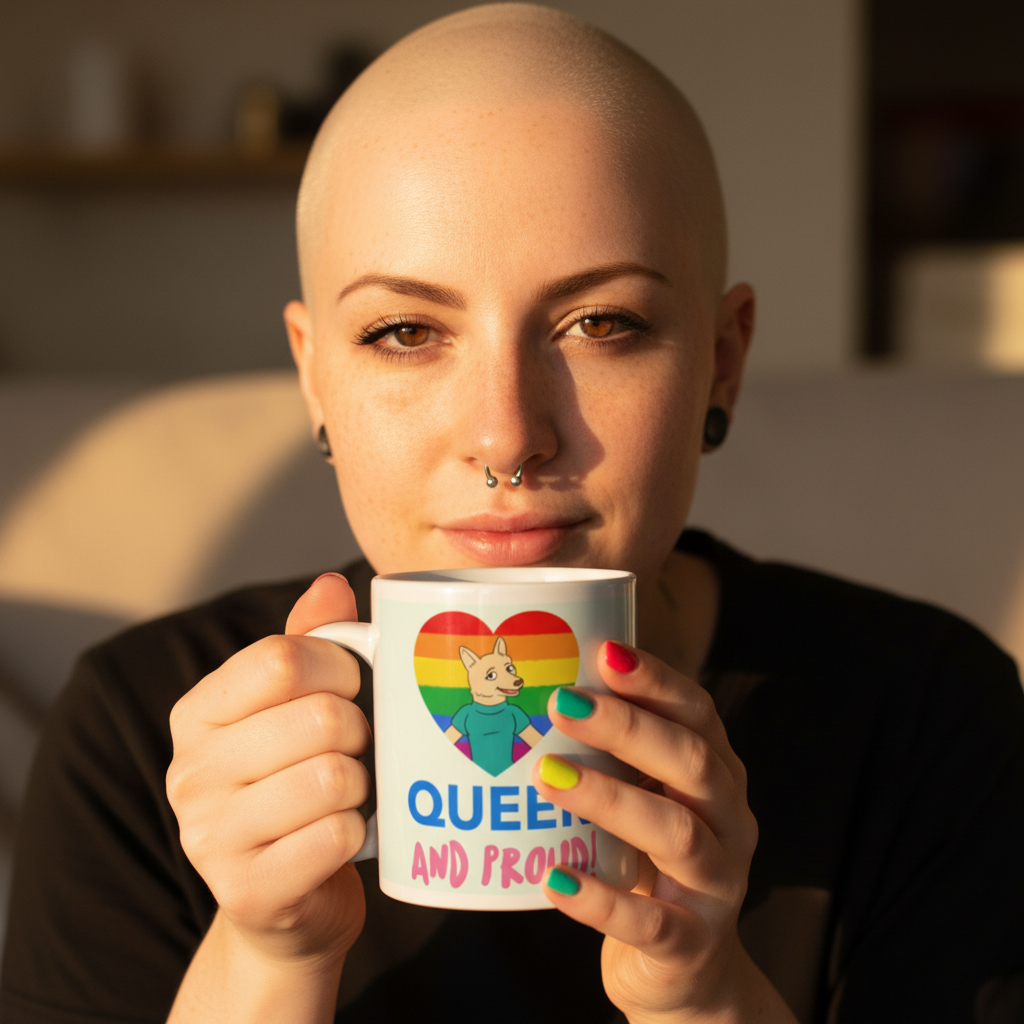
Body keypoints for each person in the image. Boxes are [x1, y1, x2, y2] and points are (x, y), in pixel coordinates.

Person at [2, 5, 1022, 1023]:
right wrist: (267, 957)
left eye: (600, 323)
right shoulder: (141, 735)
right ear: (315, 380)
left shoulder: (924, 715)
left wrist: (704, 1001)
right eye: (404, 330)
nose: (506, 434)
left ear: (723, 359)